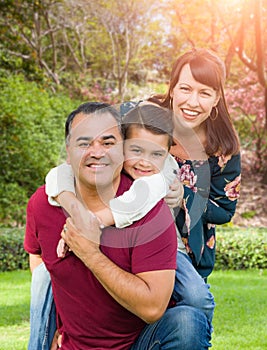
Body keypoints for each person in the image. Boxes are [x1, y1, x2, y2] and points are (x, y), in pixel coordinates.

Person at [24, 102, 212, 349]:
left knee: (190, 316)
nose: (97, 151)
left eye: (108, 142)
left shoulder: (150, 201)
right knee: (42, 279)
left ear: (120, 149)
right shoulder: (45, 201)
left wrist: (91, 250)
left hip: (139, 342)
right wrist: (55, 327)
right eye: (84, 143)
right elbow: (37, 255)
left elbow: (153, 308)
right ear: (68, 152)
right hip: (73, 343)